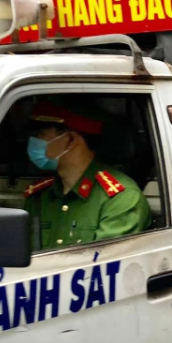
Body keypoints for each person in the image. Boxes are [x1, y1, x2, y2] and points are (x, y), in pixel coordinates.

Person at [24, 102, 150, 251]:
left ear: (71, 140)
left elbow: (105, 267)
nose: (33, 141)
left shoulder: (120, 198)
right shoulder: (39, 196)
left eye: (40, 134)